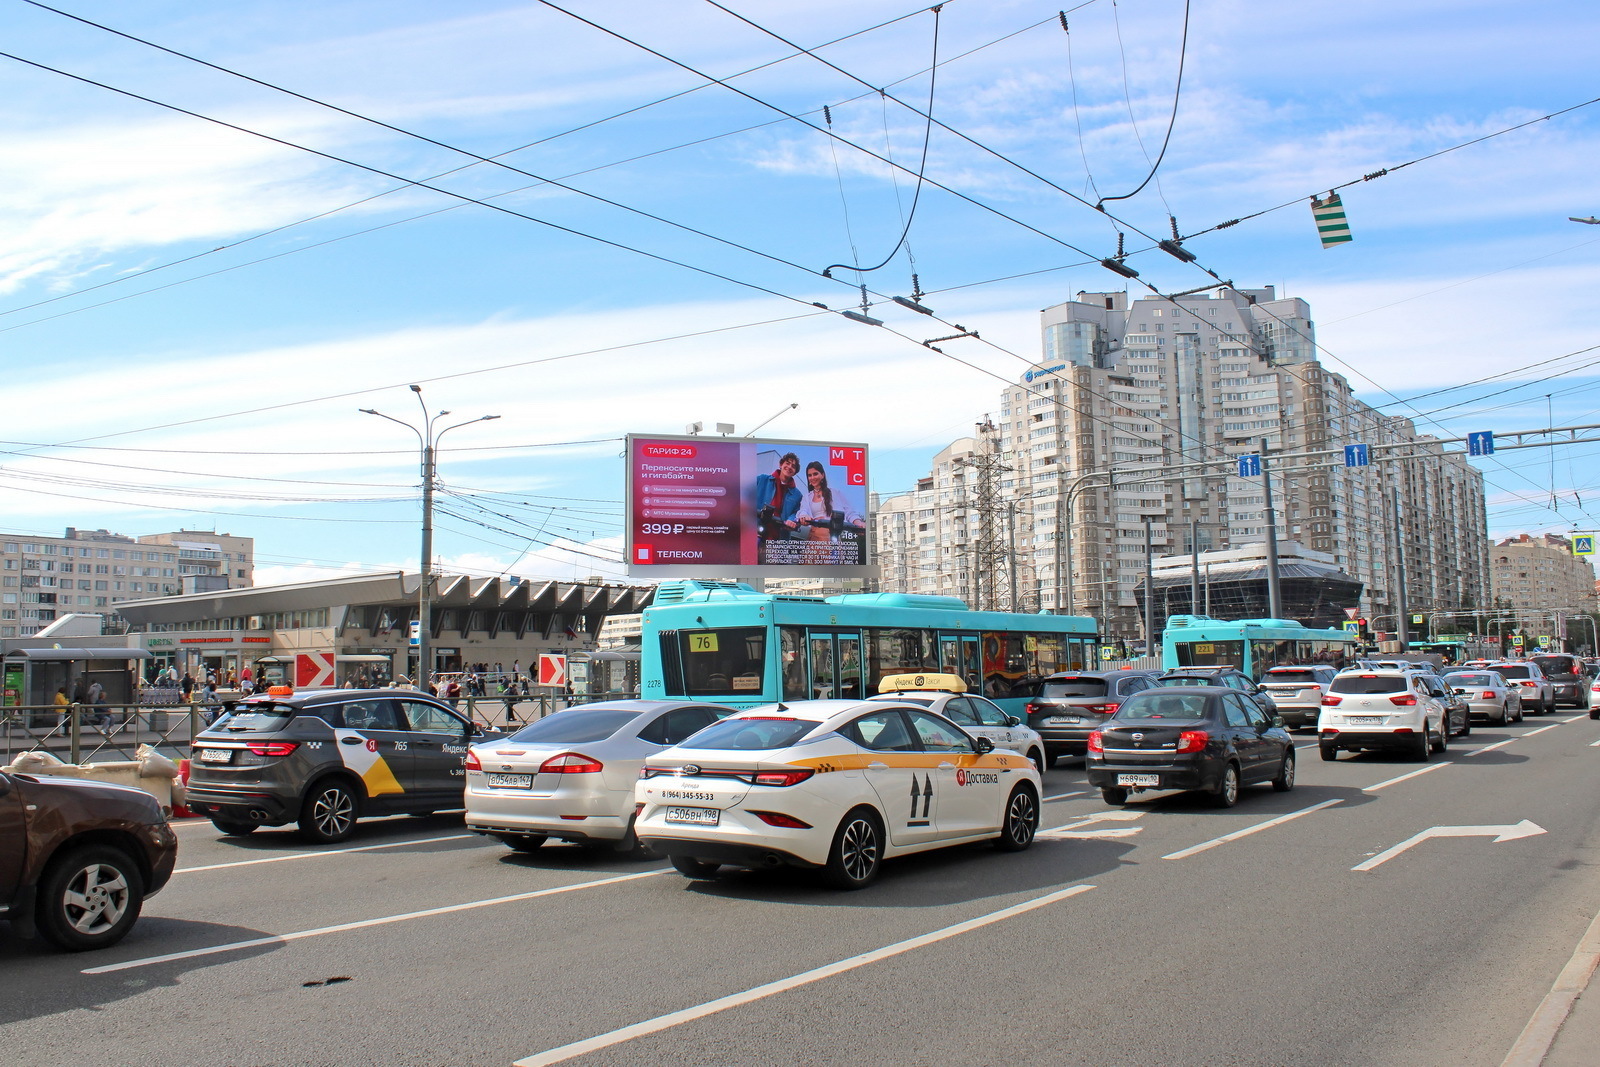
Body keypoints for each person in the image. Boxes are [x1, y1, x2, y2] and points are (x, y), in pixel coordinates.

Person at [755, 452, 802, 539]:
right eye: (787, 463)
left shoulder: (797, 495)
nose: (789, 467)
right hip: (755, 531)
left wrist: (791, 521)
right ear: (781, 464)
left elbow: (797, 513)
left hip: (778, 538)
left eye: (793, 466)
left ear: (795, 472)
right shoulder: (762, 479)